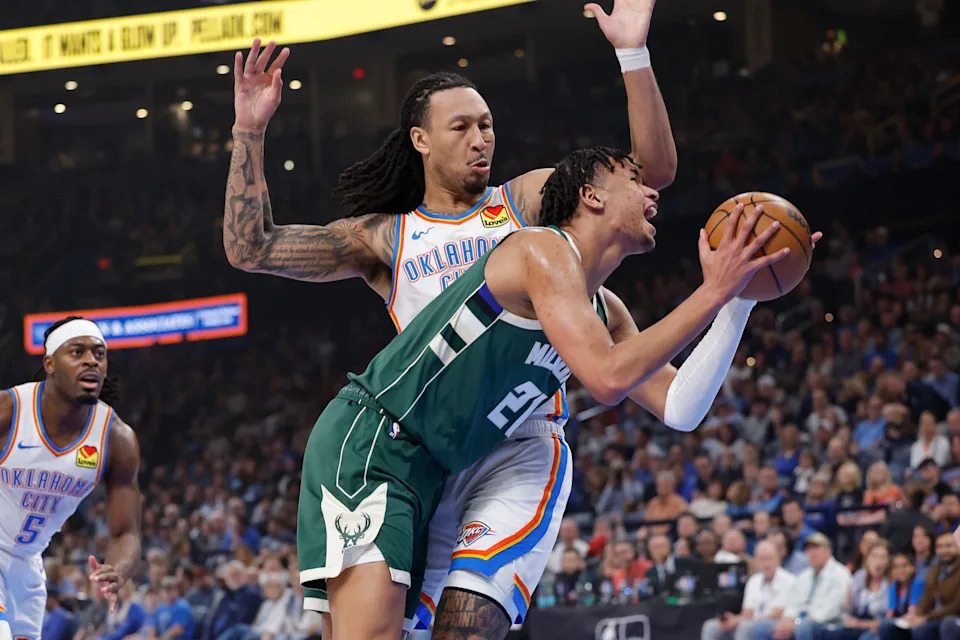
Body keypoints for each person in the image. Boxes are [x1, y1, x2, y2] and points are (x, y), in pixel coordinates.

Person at [223, 0, 678, 635]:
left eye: (487, 125)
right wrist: (249, 132)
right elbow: (251, 248)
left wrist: (633, 53)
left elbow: (646, 176)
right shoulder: (385, 238)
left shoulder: (526, 199)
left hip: (515, 442)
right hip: (426, 452)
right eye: (462, 126)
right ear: (421, 140)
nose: (481, 138)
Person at [296, 146, 795, 639]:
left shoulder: (603, 309)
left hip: (429, 467)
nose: (652, 193)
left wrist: (739, 301)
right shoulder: (541, 249)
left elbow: (680, 407)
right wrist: (713, 291)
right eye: (633, 180)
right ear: (591, 196)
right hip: (374, 442)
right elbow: (606, 378)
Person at [0, 316, 141, 639]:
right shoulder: (10, 410)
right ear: (50, 363)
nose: (91, 360)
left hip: (27, 567)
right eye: (77, 352)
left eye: (99, 354)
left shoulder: (116, 438)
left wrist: (117, 570)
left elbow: (127, 533)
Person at [752, 532, 852, 640]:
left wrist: (796, 623)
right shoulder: (804, 575)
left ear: (828, 551)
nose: (812, 553)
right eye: (809, 550)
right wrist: (787, 620)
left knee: (804, 627)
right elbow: (793, 603)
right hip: (800, 621)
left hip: (828, 623)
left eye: (817, 548)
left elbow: (831, 610)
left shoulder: (840, 574)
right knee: (761, 627)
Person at [701, 541, 794, 640]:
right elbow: (747, 613)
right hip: (751, 622)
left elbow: (775, 614)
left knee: (745, 627)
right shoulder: (754, 580)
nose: (766, 564)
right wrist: (734, 619)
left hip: (773, 624)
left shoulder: (789, 580)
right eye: (762, 559)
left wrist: (738, 621)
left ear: (778, 559)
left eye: (769, 558)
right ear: (756, 561)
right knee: (711, 626)